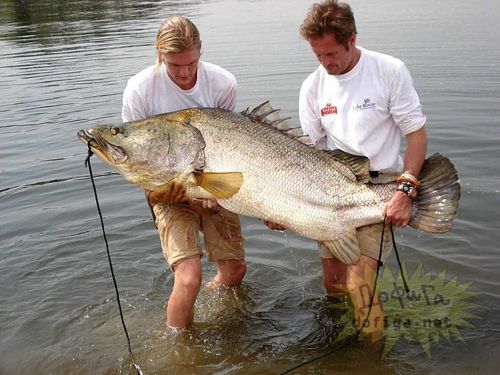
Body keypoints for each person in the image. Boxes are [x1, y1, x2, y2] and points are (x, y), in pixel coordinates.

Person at [271, 0, 427, 338]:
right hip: (329, 184)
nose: (325, 63)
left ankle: (371, 359)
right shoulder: (312, 88)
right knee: (333, 282)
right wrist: (283, 206)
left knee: (359, 279)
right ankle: (342, 341)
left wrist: (406, 189)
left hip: (382, 184)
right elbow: (307, 158)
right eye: (317, 56)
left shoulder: (389, 70)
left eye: (331, 54)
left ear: (351, 39)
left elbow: (416, 135)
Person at [121, 16, 247, 329]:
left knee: (235, 272)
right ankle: (180, 346)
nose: (184, 72)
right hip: (167, 189)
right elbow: (137, 161)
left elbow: (229, 146)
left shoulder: (222, 83)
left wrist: (212, 195)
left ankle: (212, 300)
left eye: (191, 63)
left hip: (212, 183)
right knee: (189, 277)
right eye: (174, 65)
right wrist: (156, 194)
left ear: (200, 53)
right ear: (159, 55)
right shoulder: (140, 91)